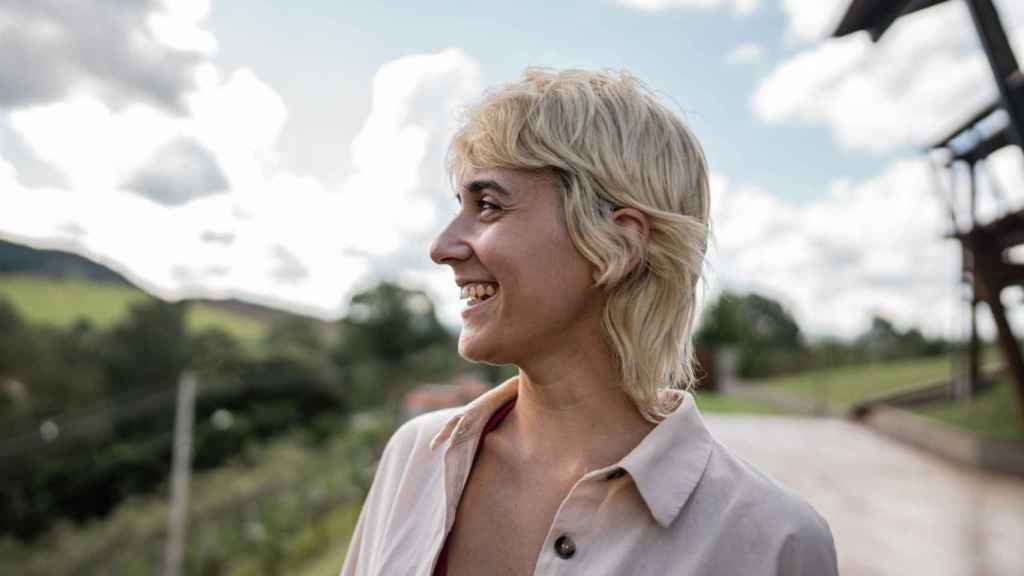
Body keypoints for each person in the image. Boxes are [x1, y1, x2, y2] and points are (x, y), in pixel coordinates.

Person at [340, 68, 837, 575]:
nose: (441, 247)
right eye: (459, 206)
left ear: (615, 245)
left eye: (488, 205)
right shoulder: (416, 458)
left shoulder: (774, 544)